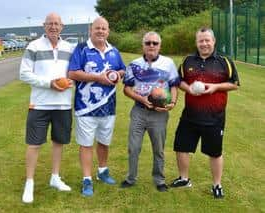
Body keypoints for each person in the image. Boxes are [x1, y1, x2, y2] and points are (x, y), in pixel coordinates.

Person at [169, 27, 240, 199]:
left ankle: (217, 185)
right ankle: (184, 179)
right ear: (196, 42)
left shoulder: (225, 62)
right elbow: (180, 81)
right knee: (181, 147)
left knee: (215, 153)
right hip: (190, 116)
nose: (204, 43)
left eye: (207, 40)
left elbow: (235, 84)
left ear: (213, 41)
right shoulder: (187, 61)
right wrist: (189, 89)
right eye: (201, 40)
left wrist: (216, 87)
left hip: (214, 118)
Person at [20, 13, 74, 203]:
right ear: (44, 26)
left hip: (63, 104)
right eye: (50, 23)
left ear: (62, 26)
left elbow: (74, 72)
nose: (53, 27)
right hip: (39, 104)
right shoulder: (33, 46)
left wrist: (70, 80)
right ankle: (29, 182)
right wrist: (49, 83)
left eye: (56, 24)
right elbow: (24, 74)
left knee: (59, 142)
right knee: (34, 144)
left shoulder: (69, 47)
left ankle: (55, 177)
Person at [68, 17, 125, 197]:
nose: (100, 31)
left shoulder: (114, 51)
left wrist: (117, 74)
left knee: (104, 141)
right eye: (97, 28)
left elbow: (122, 69)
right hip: (85, 107)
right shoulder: (81, 49)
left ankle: (102, 171)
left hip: (109, 106)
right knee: (86, 144)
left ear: (108, 31)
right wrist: (97, 78)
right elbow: (72, 73)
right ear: (90, 30)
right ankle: (87, 179)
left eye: (104, 28)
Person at [120, 31, 179, 192]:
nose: (151, 46)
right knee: (133, 147)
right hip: (139, 111)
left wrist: (172, 102)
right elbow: (126, 89)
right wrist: (142, 99)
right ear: (143, 45)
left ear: (160, 45)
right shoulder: (134, 64)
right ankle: (131, 178)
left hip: (159, 114)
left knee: (158, 149)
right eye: (148, 43)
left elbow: (174, 85)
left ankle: (159, 180)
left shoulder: (168, 63)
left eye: (155, 43)